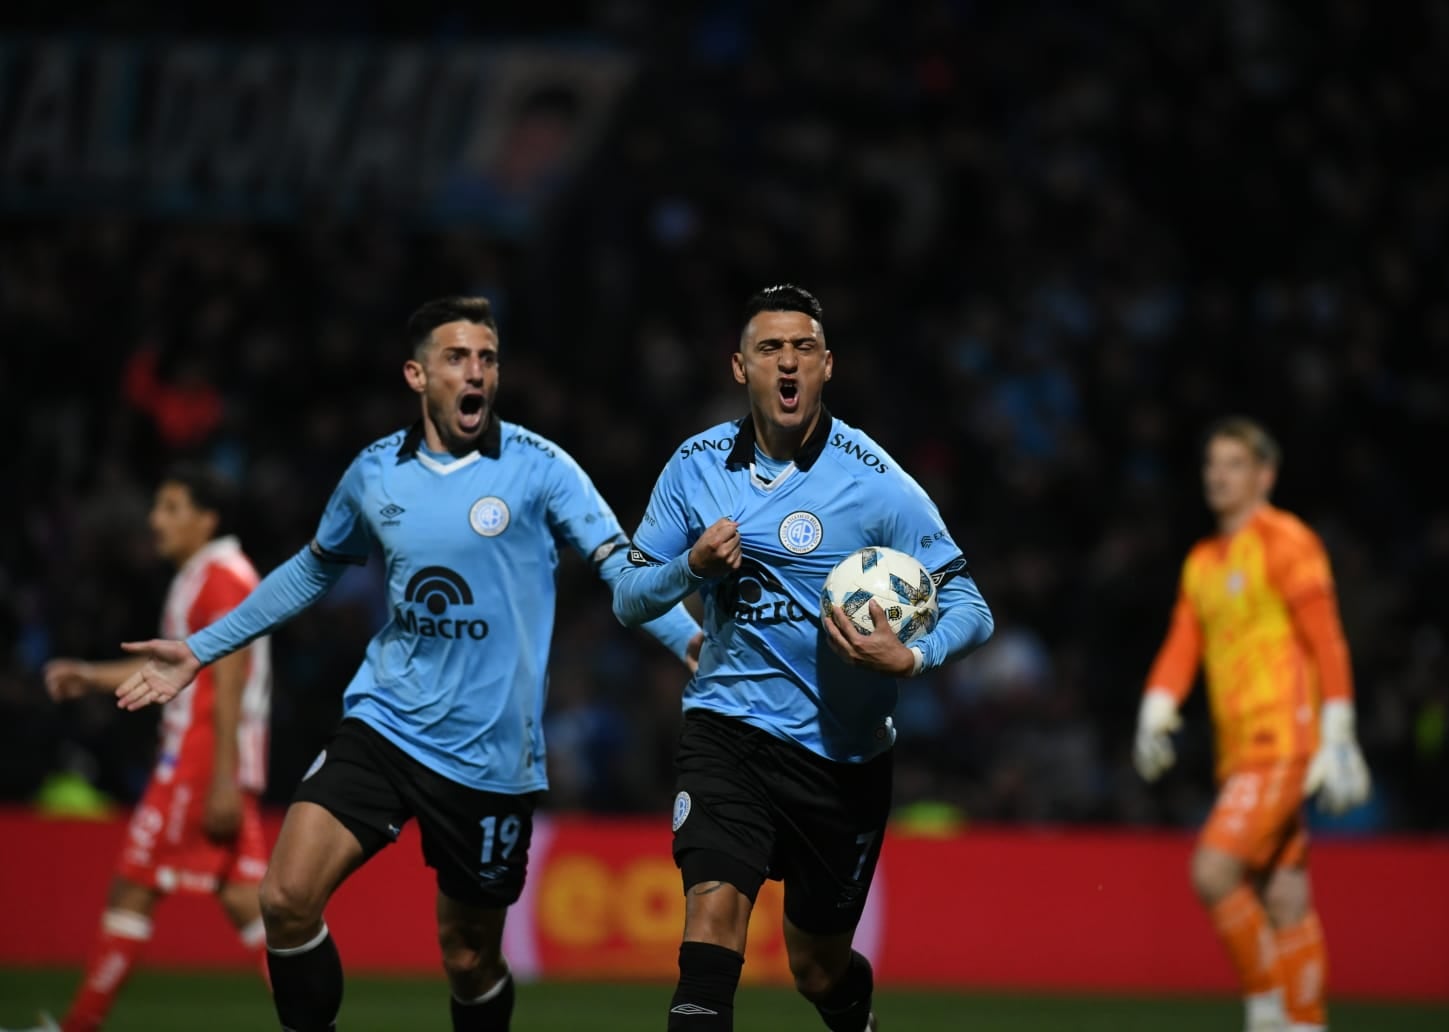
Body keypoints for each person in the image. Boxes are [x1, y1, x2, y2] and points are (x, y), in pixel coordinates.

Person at [111, 296, 702, 1032]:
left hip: (490, 755)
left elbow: (624, 568)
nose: (477, 372)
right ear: (417, 375)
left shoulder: (540, 468)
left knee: (467, 957)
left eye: (487, 358)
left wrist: (687, 640)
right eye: (458, 358)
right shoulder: (373, 475)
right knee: (284, 899)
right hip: (385, 723)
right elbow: (312, 570)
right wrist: (199, 650)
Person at [612, 284, 995, 1032]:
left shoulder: (878, 481)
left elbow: (972, 606)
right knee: (711, 925)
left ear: (827, 367)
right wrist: (689, 567)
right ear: (739, 368)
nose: (787, 364)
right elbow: (629, 596)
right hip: (728, 733)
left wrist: (911, 658)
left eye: (803, 349)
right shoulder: (694, 467)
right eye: (769, 349)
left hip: (841, 762)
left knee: (816, 967)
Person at [6, 465, 271, 1032]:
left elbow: (229, 677)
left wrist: (222, 776)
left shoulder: (220, 578)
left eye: (171, 509)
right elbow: (177, 668)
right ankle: (314, 1016)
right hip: (211, 757)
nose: (155, 521)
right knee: (250, 901)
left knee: (135, 883)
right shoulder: (210, 573)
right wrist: (92, 675)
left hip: (201, 759)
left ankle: (78, 1026)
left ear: (208, 519)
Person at [1132, 417, 1372, 1032]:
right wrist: (1156, 708)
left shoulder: (1287, 541)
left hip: (1283, 740)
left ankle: (1266, 1011)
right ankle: (1306, 1022)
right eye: (1212, 462)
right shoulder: (1203, 561)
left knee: (1213, 869)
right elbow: (1184, 645)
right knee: (1285, 893)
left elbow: (1327, 640)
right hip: (1238, 749)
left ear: (1265, 474)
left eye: (1234, 463)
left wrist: (1339, 730)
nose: (1218, 474)